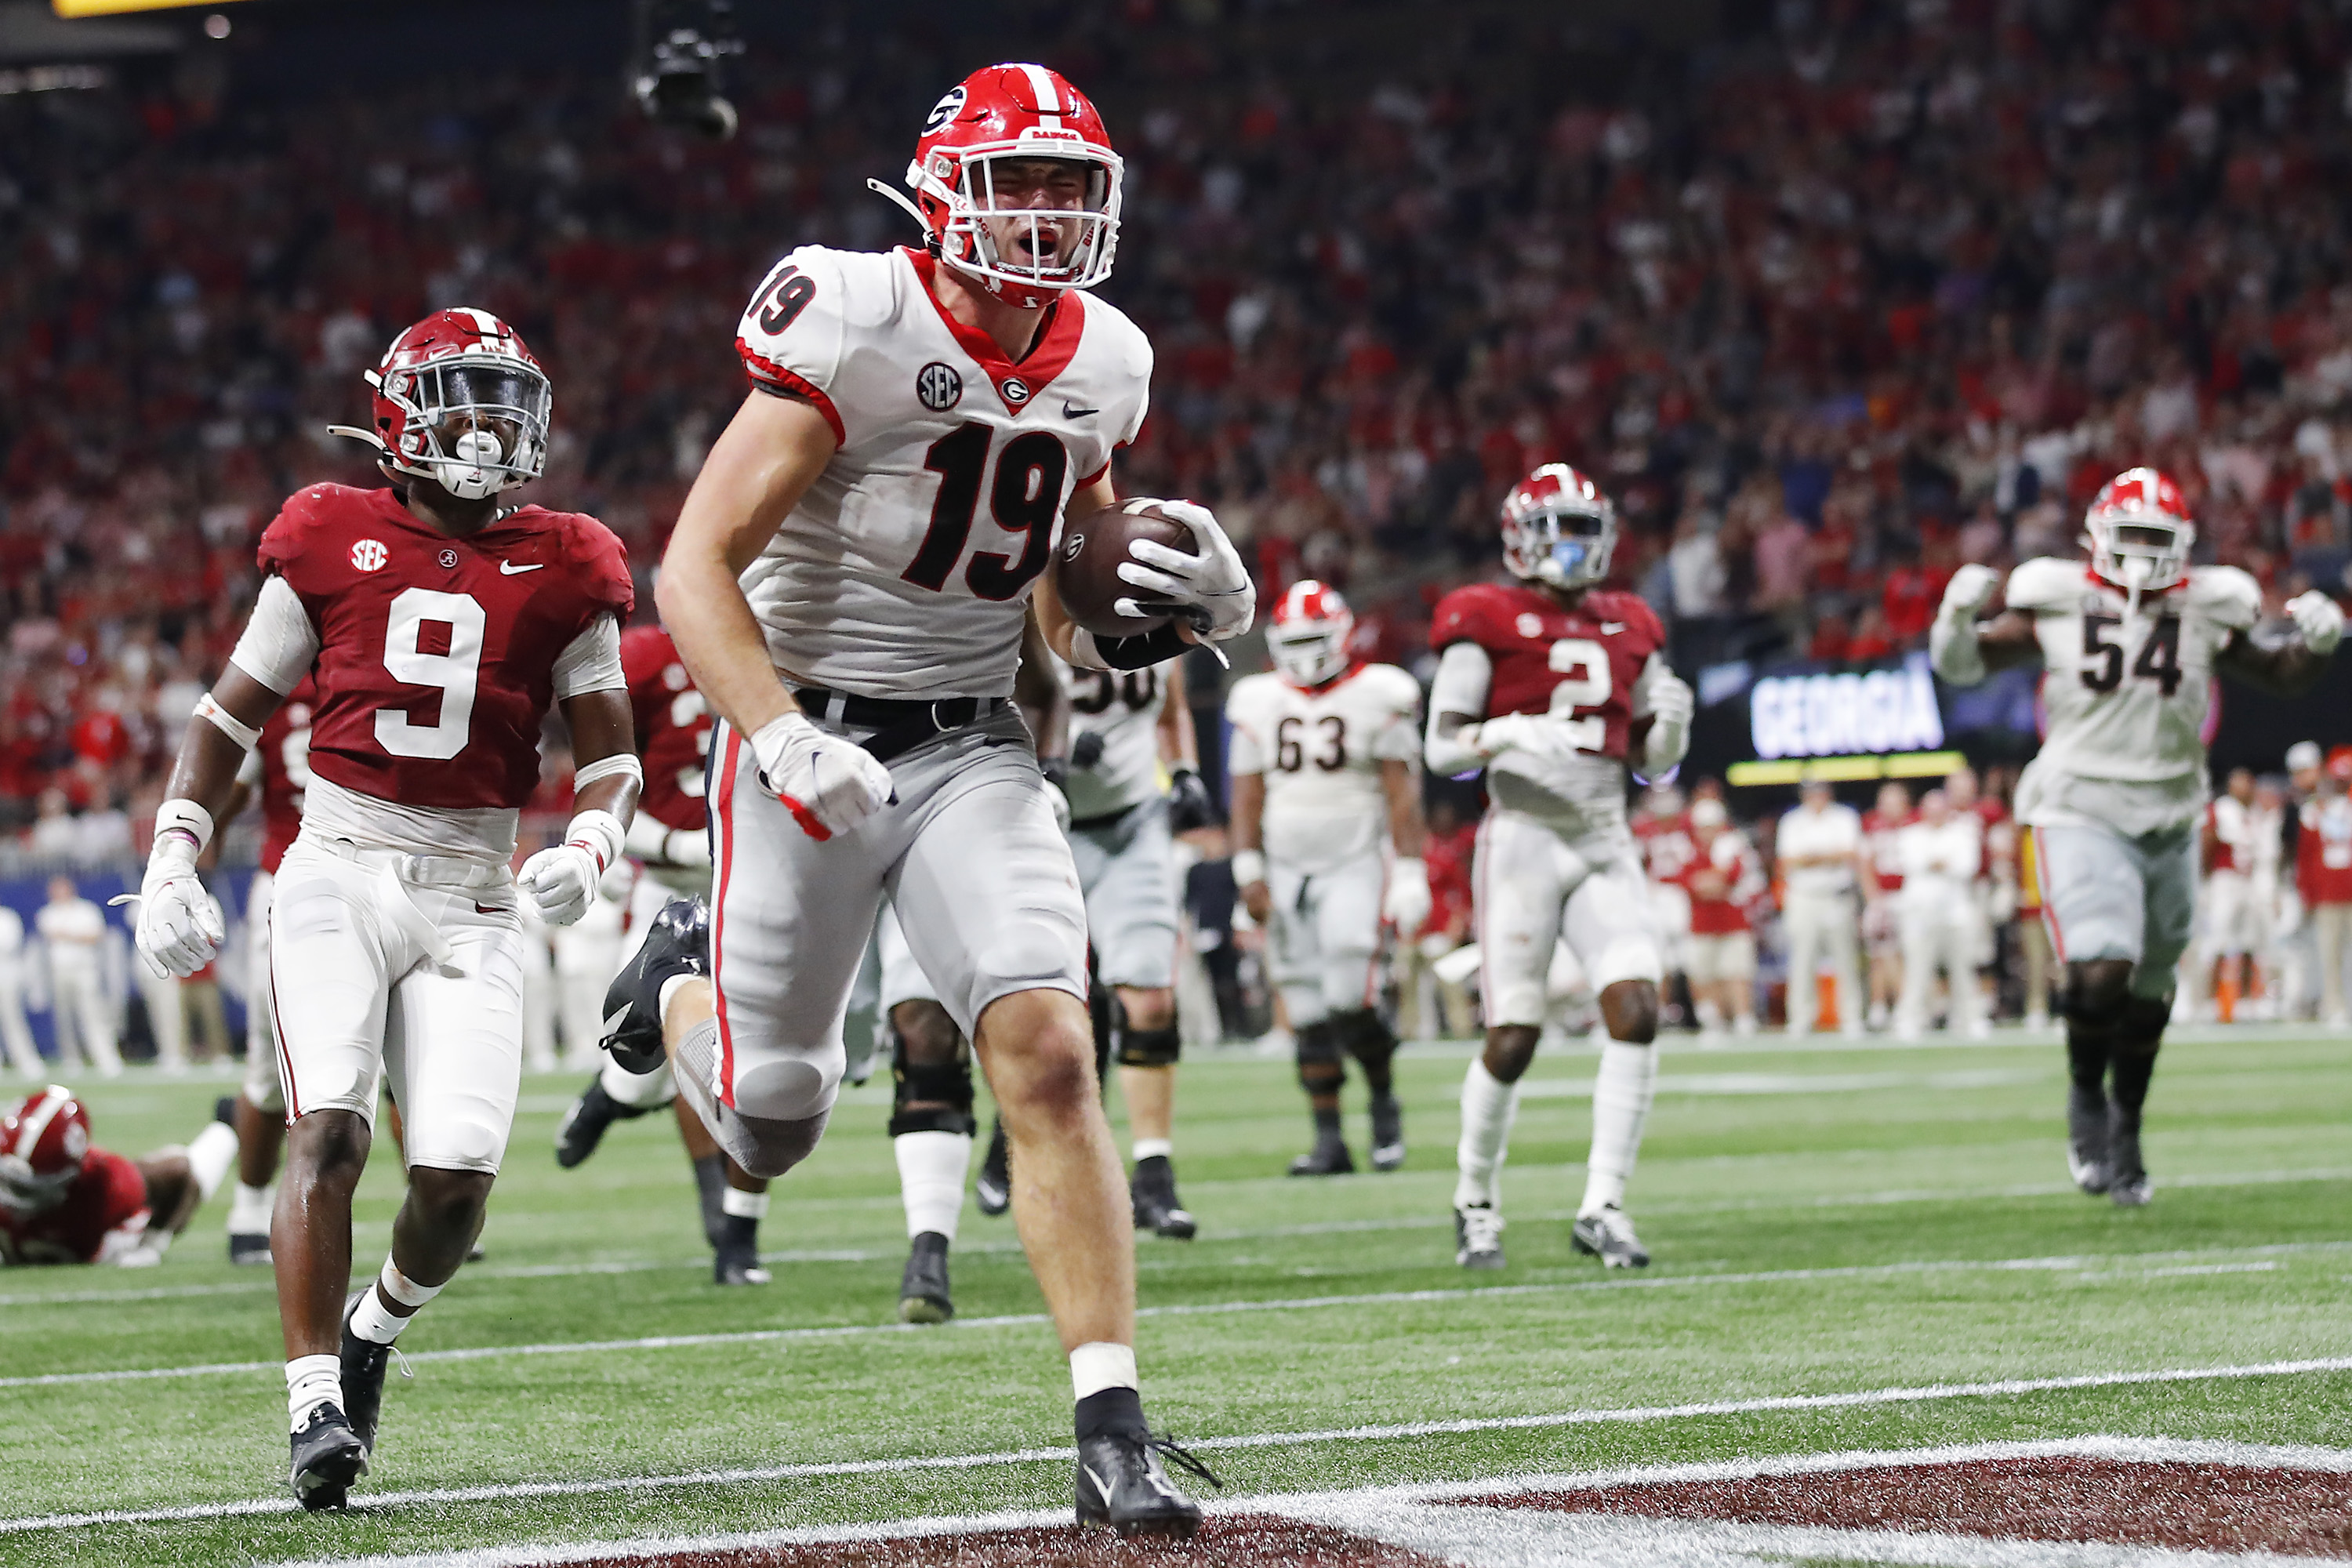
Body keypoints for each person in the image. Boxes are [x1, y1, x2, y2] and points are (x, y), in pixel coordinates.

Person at [622, 64, 1247, 1534]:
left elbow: (1066, 613)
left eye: (1066, 184)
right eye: (1014, 178)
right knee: (775, 1122)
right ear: (940, 186)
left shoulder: (1110, 360)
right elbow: (691, 566)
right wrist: (774, 737)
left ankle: (1112, 1428)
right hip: (809, 744)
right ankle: (671, 995)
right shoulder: (853, 312)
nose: (1042, 212)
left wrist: (1200, 606)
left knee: (1046, 1051)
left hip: (973, 742)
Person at [125, 307, 640, 1510]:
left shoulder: (570, 559)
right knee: (333, 1130)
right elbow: (230, 714)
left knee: (456, 1179)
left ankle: (373, 1330)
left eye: (506, 402)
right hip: (341, 860)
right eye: (463, 397)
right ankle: (314, 1406)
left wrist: (600, 835)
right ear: (402, 413)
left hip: (474, 884)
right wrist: (173, 854)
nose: (489, 426)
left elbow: (611, 749)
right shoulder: (327, 531)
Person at [1933, 466, 2342, 1204]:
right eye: (2136, 537)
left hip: (2174, 810)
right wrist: (1953, 622)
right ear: (2097, 537)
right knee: (2100, 964)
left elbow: (2279, 677)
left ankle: (2128, 1124)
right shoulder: (2056, 596)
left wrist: (2317, 645)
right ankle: (2087, 1096)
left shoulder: (2210, 604)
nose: (2147, 554)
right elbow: (1962, 666)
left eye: (2160, 539)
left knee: (2152, 989)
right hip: (2080, 803)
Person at [1424, 464, 1694, 1272]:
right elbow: (1441, 747)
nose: (1573, 544)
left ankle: (1603, 1202)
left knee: (1640, 1006)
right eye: (1559, 527)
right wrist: (1501, 732)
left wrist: (1671, 740)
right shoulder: (1487, 613)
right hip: (1525, 835)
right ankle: (1475, 1197)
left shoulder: (1633, 620)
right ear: (1520, 535)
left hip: (1605, 832)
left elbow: (1652, 760)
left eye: (1585, 527)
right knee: (1514, 1035)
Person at [551, 620, 778, 1285]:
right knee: (671, 1052)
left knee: (761, 1062)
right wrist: (682, 847)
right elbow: (608, 786)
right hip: (670, 892)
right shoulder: (646, 657)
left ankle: (736, 1228)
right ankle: (618, 1094)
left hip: (763, 883)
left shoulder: (789, 639)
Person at [1226, 582, 1428, 1174]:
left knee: (1349, 994)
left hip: (1355, 859)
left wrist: (1410, 869)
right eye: (1294, 642)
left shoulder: (1379, 693)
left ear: (1341, 638)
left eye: (1314, 640)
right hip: (1285, 866)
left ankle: (1385, 1103)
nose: (1305, 652)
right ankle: (1329, 1140)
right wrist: (1248, 869)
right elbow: (1245, 795)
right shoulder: (1257, 699)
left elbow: (1401, 791)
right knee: (1307, 1009)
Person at [218, 677, 314, 1264]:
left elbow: (232, 787)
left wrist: (203, 838)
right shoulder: (377, 667)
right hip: (326, 877)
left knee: (268, 1063)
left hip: (284, 882)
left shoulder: (272, 692)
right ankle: (249, 1206)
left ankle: (248, 1209)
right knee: (269, 1062)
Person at [1, 1083, 240, 1266]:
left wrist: (153, 1242)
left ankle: (228, 1128)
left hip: (115, 1224)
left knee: (188, 1165)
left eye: (25, 1188)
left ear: (71, 1176)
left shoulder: (110, 1187)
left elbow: (179, 1174)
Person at [1892, 789, 1987, 1038]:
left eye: (1939, 810)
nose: (1935, 815)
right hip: (1920, 913)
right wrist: (1941, 863)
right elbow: (1912, 863)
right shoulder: (1910, 835)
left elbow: (1967, 867)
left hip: (1956, 912)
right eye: (1930, 810)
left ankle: (1971, 1018)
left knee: (1964, 968)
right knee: (1917, 969)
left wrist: (1933, 864)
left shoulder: (1962, 834)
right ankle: (1910, 1019)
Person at [1776, 777, 1866, 1037]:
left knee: (1845, 958)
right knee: (1802, 959)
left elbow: (1849, 854)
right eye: (1810, 792)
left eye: (1820, 791)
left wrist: (1812, 858)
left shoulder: (1844, 817)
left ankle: (1851, 1017)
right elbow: (1788, 861)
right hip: (1804, 896)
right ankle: (1801, 1018)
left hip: (1836, 895)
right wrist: (1827, 856)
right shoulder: (1793, 821)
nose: (1816, 797)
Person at [1675, 797, 1762, 1036]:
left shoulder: (1733, 844)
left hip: (1732, 921)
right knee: (1703, 975)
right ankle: (1713, 1020)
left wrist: (1710, 881)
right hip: (1701, 922)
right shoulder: (1687, 848)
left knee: (1737, 973)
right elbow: (1690, 882)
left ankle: (1743, 1018)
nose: (1708, 832)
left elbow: (1729, 878)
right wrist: (1712, 881)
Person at [2200, 768, 2265, 1022]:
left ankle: (2247, 1002)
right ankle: (2209, 1002)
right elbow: (2209, 840)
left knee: (2250, 942)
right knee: (2219, 940)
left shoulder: (2256, 811)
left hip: (2250, 880)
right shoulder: (2222, 809)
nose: (2246, 788)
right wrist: (2207, 877)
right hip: (2225, 879)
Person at [37, 877, 119, 1078]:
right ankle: (71, 1059)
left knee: (93, 1015)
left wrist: (67, 935)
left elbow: (94, 936)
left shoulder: (86, 910)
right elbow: (50, 936)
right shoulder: (48, 913)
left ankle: (105, 1058)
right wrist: (74, 936)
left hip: (85, 970)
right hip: (60, 971)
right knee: (64, 1018)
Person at [2296, 753, 2352, 1024]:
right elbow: (2305, 857)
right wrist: (2307, 893)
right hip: (2328, 894)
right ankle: (2333, 1006)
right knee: (2329, 954)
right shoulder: (2313, 811)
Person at [1860, 782, 1913, 1030]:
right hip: (1882, 897)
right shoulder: (1871, 825)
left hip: (1910, 897)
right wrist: (1874, 899)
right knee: (1880, 955)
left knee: (1907, 954)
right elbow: (1864, 865)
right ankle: (1879, 1006)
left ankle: (1906, 1004)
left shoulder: (1916, 825)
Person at [0, 903, 40, 1077]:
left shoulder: (7, 917)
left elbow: (9, 945)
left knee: (13, 1020)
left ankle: (26, 1061)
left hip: (6, 975)